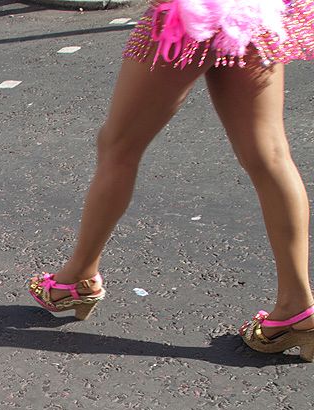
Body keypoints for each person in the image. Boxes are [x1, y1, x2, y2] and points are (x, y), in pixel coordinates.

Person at [29, 0, 314, 361]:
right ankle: (297, 306)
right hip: (253, 9)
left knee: (118, 146)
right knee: (270, 155)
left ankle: (77, 277)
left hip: (189, 12)